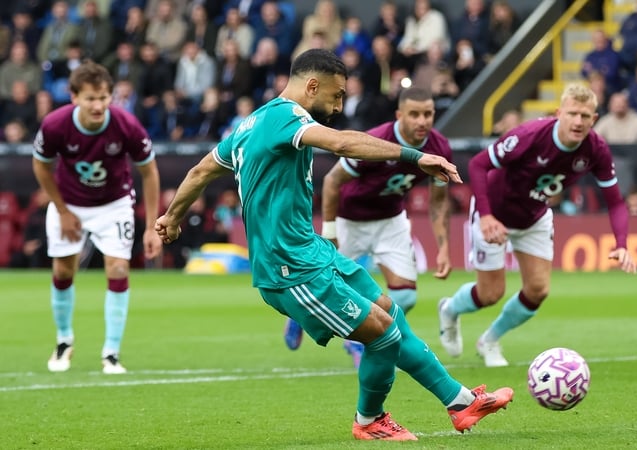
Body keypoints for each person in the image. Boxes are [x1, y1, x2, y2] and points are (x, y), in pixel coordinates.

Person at [154, 49, 513, 441]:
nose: (339, 104)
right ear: (312, 86)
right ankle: (369, 421)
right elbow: (341, 144)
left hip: (311, 250)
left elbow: (200, 170)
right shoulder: (286, 117)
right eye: (336, 95)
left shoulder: (248, 123)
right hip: (288, 267)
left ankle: (460, 402)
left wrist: (171, 216)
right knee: (383, 335)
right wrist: (415, 158)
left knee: (391, 312)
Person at [437, 83, 637, 368]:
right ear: (559, 113)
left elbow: (616, 202)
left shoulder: (596, 150)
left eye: (585, 116)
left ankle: (490, 340)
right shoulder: (529, 136)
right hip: (494, 212)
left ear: (594, 120)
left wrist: (621, 244)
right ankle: (449, 309)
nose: (578, 122)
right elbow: (479, 165)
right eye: (573, 114)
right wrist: (486, 216)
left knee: (538, 290)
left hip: (534, 216)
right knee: (489, 294)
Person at [283, 86, 454, 367]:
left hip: (391, 220)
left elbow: (437, 202)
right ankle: (299, 316)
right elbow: (333, 181)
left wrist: (444, 247)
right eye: (414, 114)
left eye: (428, 114)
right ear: (400, 115)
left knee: (407, 296)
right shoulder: (375, 141)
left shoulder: (439, 147)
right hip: (350, 220)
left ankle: (357, 338)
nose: (422, 121)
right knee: (321, 285)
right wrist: (330, 230)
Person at [32, 60, 162, 374]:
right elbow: (41, 166)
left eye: (104, 97)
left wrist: (152, 227)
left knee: (118, 269)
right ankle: (64, 340)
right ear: (74, 96)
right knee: (63, 271)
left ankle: (111, 353)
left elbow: (150, 173)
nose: (98, 105)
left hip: (114, 204)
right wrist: (62, 211)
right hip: (70, 203)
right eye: (91, 98)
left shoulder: (127, 125)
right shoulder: (54, 125)